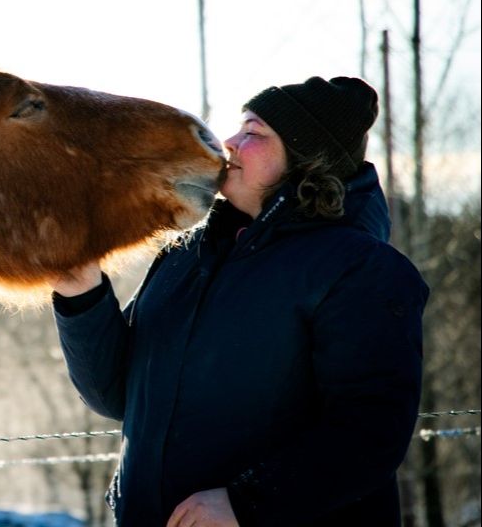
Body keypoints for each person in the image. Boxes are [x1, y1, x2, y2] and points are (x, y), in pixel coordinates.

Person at [50, 76, 428, 526]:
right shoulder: (187, 252)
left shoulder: (361, 269)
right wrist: (81, 291)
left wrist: (247, 504)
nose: (229, 142)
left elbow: (370, 434)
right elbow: (115, 395)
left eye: (253, 132)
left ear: (306, 158)